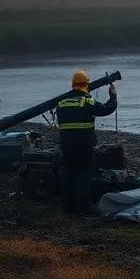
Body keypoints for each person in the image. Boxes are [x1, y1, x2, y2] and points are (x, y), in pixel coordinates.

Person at [55, 70, 118, 216]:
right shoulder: (87, 102)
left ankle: (68, 208)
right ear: (86, 85)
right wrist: (113, 95)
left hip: (67, 146)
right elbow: (107, 109)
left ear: (73, 85)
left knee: (68, 176)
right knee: (84, 176)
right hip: (84, 146)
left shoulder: (62, 103)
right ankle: (82, 210)